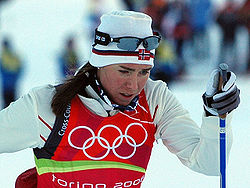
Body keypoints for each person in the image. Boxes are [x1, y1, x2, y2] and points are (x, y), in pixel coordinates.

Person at [0, 11, 240, 188]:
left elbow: (209, 164)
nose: (134, 85)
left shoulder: (155, 99)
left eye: (144, 72)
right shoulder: (46, 105)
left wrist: (215, 115)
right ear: (99, 64)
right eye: (124, 71)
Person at [0, 37, 23, 108]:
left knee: (7, 106)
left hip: (6, 85)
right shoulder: (14, 56)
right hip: (13, 84)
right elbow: (20, 68)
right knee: (13, 105)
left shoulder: (3, 57)